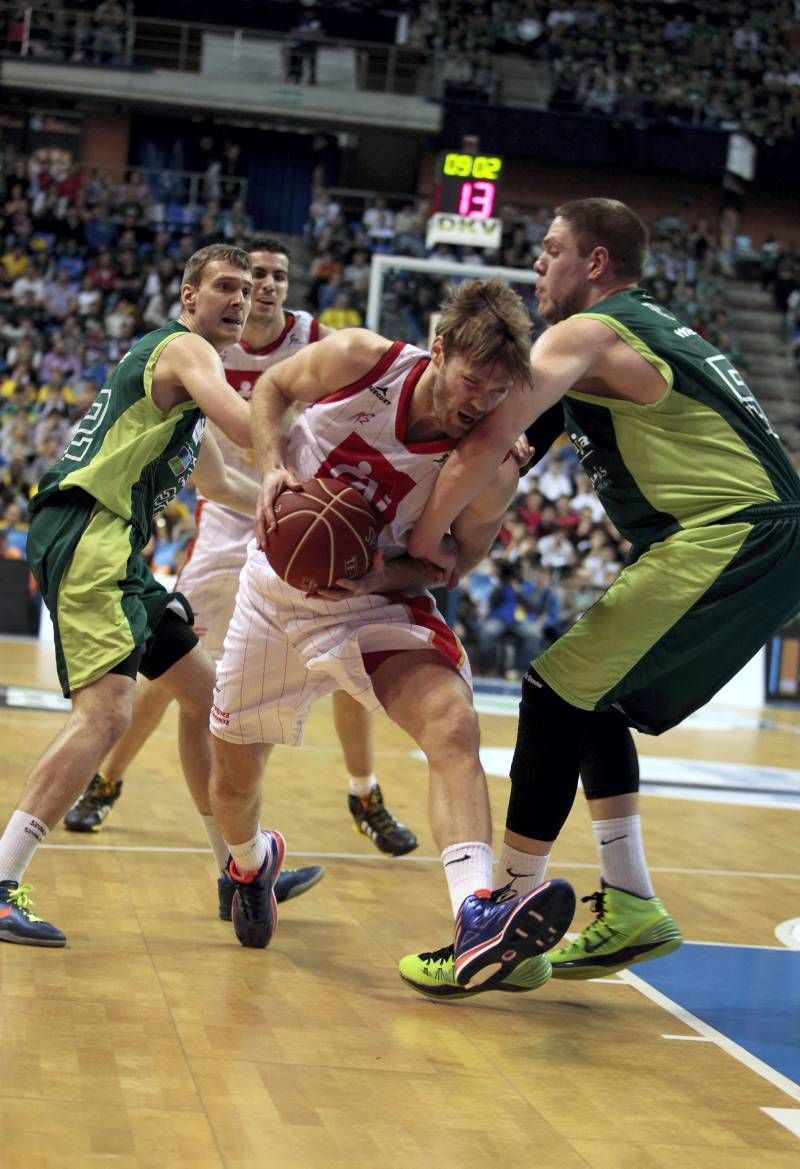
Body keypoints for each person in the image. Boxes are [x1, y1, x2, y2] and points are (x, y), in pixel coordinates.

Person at [403, 198, 800, 994]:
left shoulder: (587, 332)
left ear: (594, 263)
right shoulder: (620, 341)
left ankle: (505, 922)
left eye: (550, 250)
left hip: (736, 531)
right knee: (592, 700)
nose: (537, 264)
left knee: (551, 691)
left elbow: (486, 439)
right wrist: (458, 551)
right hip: (749, 534)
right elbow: (512, 460)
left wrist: (419, 543)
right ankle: (631, 901)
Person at [208, 278, 575, 987]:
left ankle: (474, 910)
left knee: (453, 721)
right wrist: (273, 467)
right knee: (233, 779)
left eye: (498, 393)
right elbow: (271, 392)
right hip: (274, 592)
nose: (481, 403)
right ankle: (252, 862)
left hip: (372, 602)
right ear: (438, 351)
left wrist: (379, 575)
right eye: (472, 383)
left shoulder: (491, 468)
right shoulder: (360, 358)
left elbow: (459, 559)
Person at [63, 238, 417, 891]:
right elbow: (216, 456)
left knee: (348, 650)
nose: (267, 286)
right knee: (173, 669)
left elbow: (387, 383)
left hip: (303, 513)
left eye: (278, 275)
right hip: (230, 519)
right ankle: (107, 779)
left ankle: (362, 792)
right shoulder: (205, 349)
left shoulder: (315, 339)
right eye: (256, 275)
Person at [0, 244, 264, 947]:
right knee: (107, 714)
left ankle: (235, 870)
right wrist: (326, 444)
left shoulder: (185, 384)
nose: (240, 300)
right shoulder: (184, 351)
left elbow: (224, 485)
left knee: (204, 697)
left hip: (115, 544)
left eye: (247, 290)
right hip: (91, 530)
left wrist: (286, 499)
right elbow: (249, 427)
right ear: (188, 297)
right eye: (226, 288)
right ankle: (0, 883)